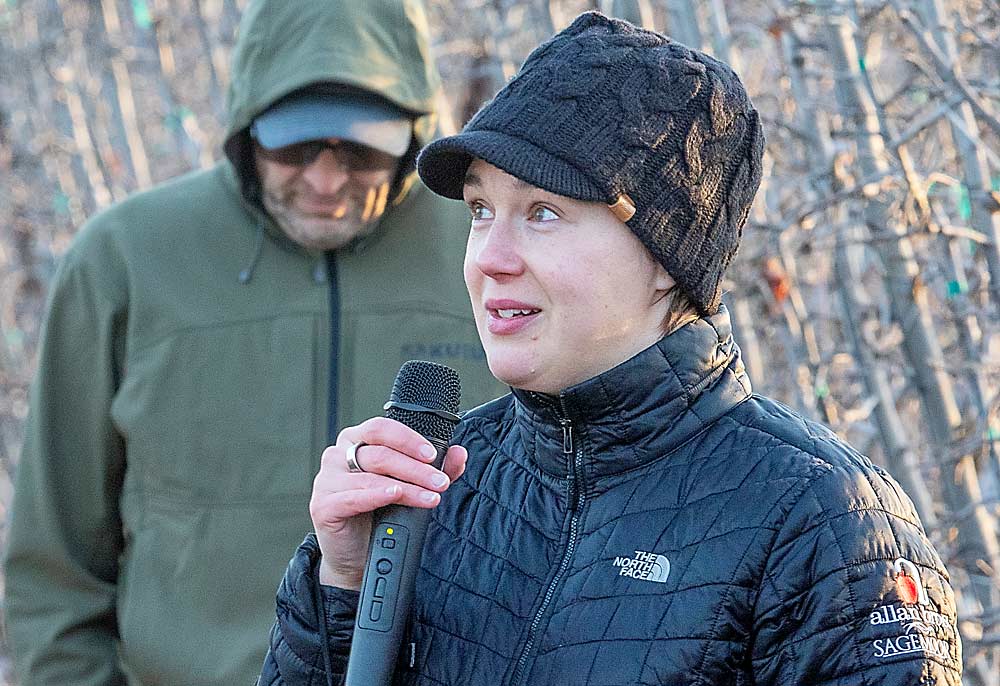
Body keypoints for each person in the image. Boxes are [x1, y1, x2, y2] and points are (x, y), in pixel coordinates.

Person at [259, 11, 963, 686]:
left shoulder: (822, 523)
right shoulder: (439, 486)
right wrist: (341, 586)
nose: (490, 258)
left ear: (667, 258)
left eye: (542, 213)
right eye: (481, 211)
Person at [3, 1, 506, 685]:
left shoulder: (491, 252)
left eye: (362, 150)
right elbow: (53, 571)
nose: (327, 183)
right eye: (294, 147)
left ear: (414, 131)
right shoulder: (123, 258)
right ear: (246, 129)